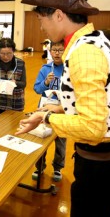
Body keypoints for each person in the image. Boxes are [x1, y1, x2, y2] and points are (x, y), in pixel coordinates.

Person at [17, 0, 110, 217]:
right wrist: (52, 110)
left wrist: (48, 119)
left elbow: (92, 127)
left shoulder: (84, 52)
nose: (41, 27)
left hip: (103, 168)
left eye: (41, 19)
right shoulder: (95, 40)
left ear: (59, 15)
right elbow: (97, 98)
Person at [32, 40, 66, 182]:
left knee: (61, 139)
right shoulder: (45, 69)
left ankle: (58, 167)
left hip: (62, 110)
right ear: (50, 52)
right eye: (54, 50)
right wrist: (46, 82)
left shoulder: (69, 69)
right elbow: (36, 89)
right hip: (45, 108)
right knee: (41, 136)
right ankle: (39, 166)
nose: (57, 53)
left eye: (60, 50)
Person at [0, 38, 26, 117]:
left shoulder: (20, 63)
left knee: (15, 128)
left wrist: (15, 83)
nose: (6, 57)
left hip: (15, 103)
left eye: (9, 53)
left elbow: (23, 84)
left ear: (13, 51)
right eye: (2, 53)